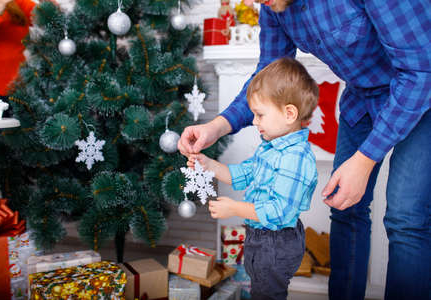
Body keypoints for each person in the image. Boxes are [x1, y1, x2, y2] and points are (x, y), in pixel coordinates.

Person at [178, 1, 431, 299]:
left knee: (406, 218)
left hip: (420, 90)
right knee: (345, 208)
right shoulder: (272, 6)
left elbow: (421, 69)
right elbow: (266, 77)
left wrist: (364, 160)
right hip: (362, 98)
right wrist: (215, 127)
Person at [187, 57, 319, 300]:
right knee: (258, 287)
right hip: (260, 236)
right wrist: (209, 165)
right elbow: (242, 175)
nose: (254, 122)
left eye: (259, 115)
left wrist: (234, 208)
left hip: (277, 242)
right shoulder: (270, 148)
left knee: (267, 293)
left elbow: (279, 211)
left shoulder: (295, 157)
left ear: (289, 113)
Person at [0, 0, 57, 198]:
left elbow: (48, 19)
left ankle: (16, 222)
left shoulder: (16, 3)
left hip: (17, 95)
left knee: (14, 165)